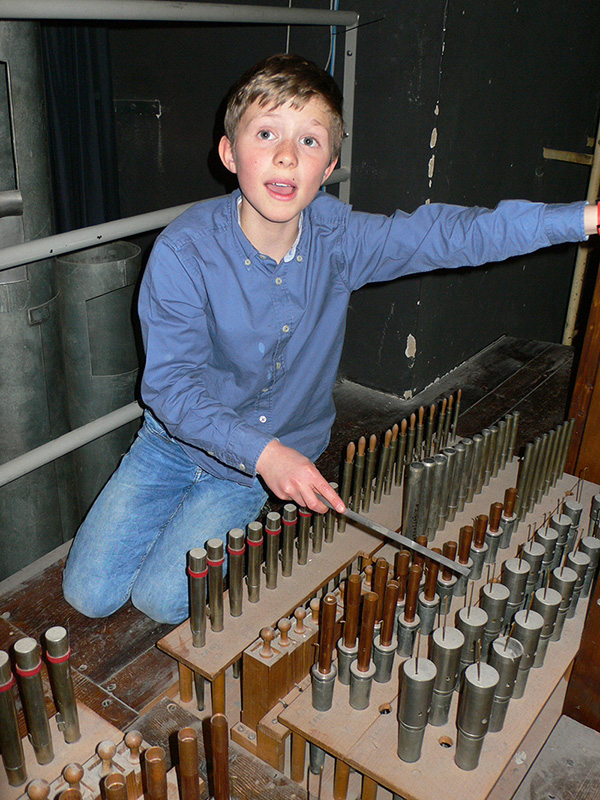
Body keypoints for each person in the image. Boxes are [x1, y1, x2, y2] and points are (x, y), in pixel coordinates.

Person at [62, 53, 597, 624]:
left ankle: (239, 516)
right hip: (174, 447)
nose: (287, 155)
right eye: (266, 133)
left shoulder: (340, 239)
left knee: (161, 601)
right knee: (88, 596)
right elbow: (170, 389)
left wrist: (584, 219)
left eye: (309, 141)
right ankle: (203, 513)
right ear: (228, 153)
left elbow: (450, 235)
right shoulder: (184, 250)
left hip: (259, 466)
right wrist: (268, 456)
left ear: (329, 166)